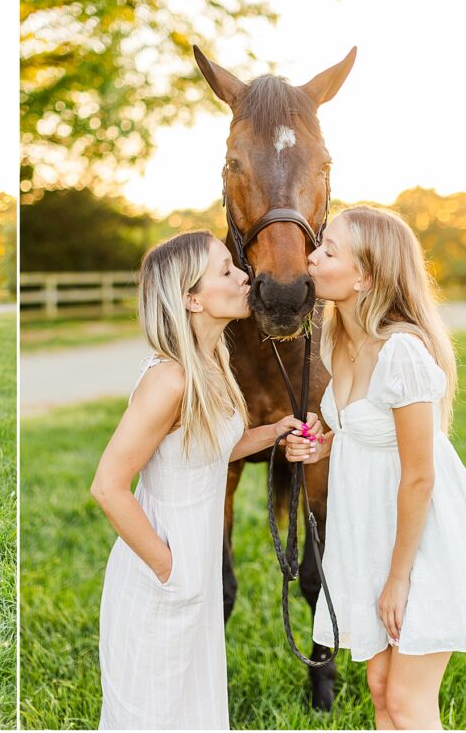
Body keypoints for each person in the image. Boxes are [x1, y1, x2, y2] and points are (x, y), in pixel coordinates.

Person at [286, 205, 466, 729]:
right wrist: (323, 445)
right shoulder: (338, 339)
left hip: (416, 541)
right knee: (381, 687)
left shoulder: (403, 353)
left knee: (409, 702)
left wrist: (397, 579)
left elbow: (419, 475)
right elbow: (365, 434)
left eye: (328, 251)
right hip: (370, 531)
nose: (312, 257)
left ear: (364, 276)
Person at [91, 230, 321, 730]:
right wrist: (169, 571)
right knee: (154, 711)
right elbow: (107, 486)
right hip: (164, 574)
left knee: (194, 708)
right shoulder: (169, 379)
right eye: (226, 270)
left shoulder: (211, 364)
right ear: (191, 298)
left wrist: (275, 432)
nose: (245, 275)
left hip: (195, 571)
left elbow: (206, 451)